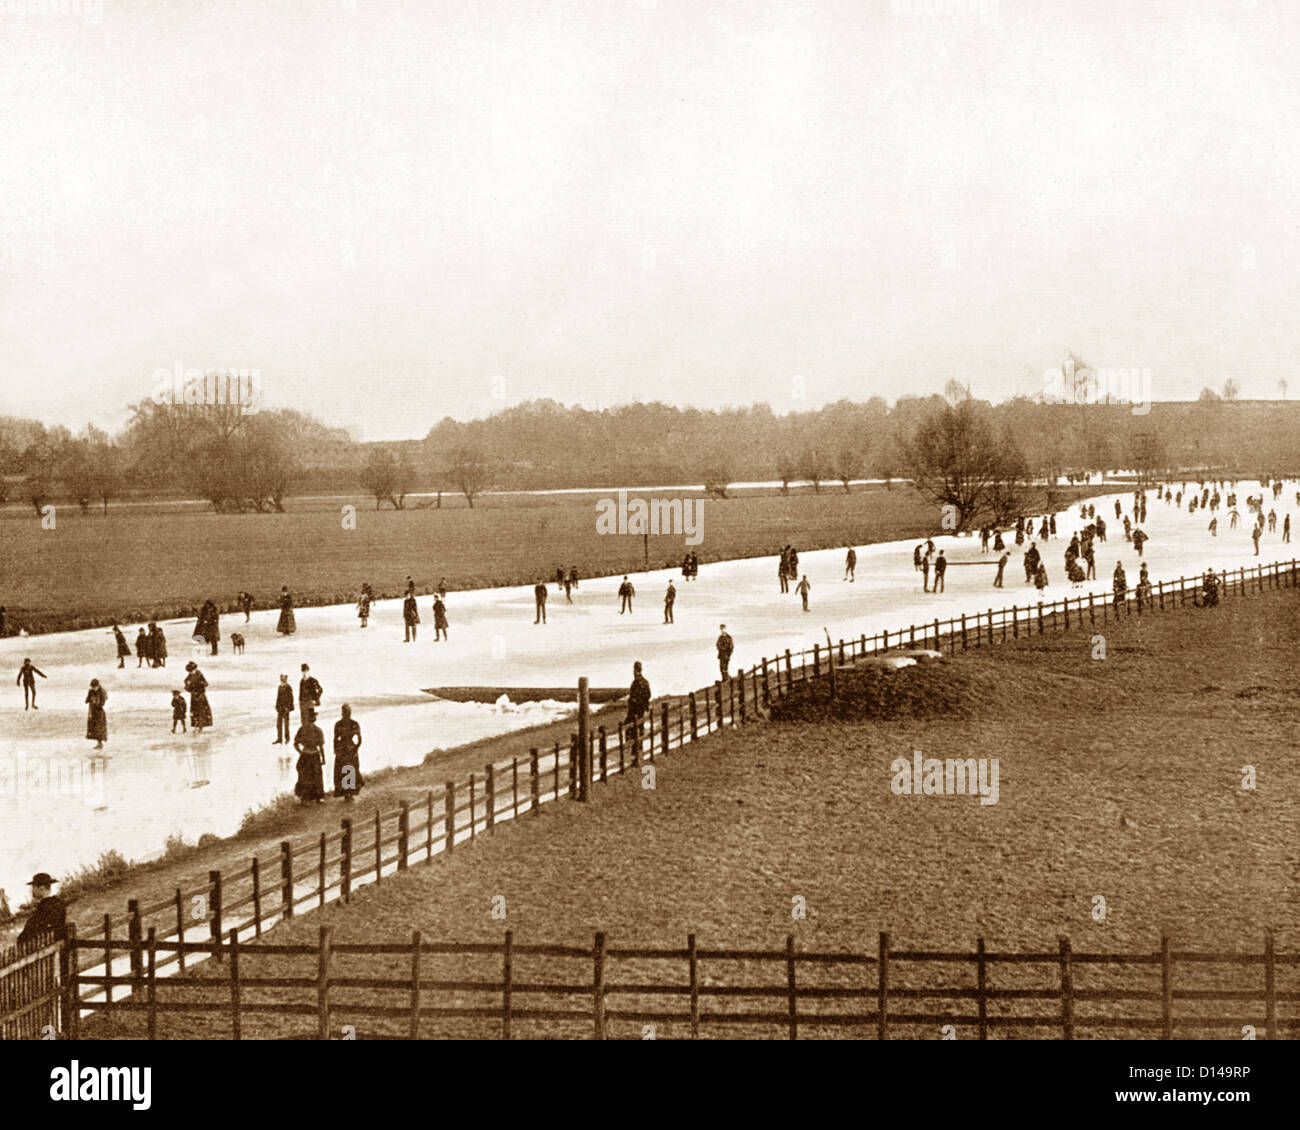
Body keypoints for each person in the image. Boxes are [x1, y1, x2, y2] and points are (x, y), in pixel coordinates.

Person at [17, 873, 66, 948]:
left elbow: (36, 930)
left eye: (33, 887)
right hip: (56, 944)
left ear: (41, 888)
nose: (32, 891)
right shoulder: (58, 903)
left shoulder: (45, 907)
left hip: (46, 948)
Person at [293, 708, 326, 804]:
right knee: (316, 777)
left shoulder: (302, 729)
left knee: (305, 777)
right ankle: (318, 797)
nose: (313, 717)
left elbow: (295, 743)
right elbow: (321, 747)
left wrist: (301, 752)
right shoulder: (317, 730)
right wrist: (323, 758)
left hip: (306, 755)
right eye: (313, 716)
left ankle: (306, 799)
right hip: (314, 755)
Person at [332, 704, 363, 801]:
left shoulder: (341, 724)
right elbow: (335, 739)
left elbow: (359, 739)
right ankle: (347, 792)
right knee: (347, 769)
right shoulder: (351, 723)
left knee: (348, 769)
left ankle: (349, 792)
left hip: (347, 748)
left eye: (347, 712)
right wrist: (355, 748)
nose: (346, 714)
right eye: (345, 712)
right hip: (347, 748)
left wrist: (356, 748)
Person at [625, 660, 651, 740]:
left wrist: (634, 701)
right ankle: (639, 746)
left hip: (635, 709)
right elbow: (648, 695)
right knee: (639, 727)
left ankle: (634, 747)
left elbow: (635, 696)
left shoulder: (636, 682)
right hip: (642, 708)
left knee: (630, 727)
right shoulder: (645, 681)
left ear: (635, 670)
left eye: (634, 670)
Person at [184, 662, 212, 733]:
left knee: (201, 711)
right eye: (189, 671)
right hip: (194, 696)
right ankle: (196, 725)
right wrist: (188, 686)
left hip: (200, 696)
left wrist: (200, 685)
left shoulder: (199, 675)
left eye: (192, 671)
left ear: (195, 669)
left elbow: (206, 683)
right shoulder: (189, 676)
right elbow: (186, 684)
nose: (191, 672)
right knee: (194, 711)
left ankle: (200, 726)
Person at [85, 679, 108, 750]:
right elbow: (86, 701)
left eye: (95, 687)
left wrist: (95, 701)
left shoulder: (102, 691)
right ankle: (98, 743)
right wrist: (91, 700)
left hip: (99, 712)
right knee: (93, 729)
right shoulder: (91, 691)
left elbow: (102, 703)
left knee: (99, 728)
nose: (94, 689)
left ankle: (100, 743)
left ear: (98, 685)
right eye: (93, 687)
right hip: (92, 711)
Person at [274, 674, 294, 745]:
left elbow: (291, 698)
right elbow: (278, 697)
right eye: (281, 677)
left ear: (286, 678)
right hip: (280, 708)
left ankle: (287, 738)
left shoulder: (288, 687)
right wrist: (276, 706)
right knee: (278, 724)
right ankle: (279, 739)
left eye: (284, 677)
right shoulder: (280, 687)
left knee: (286, 724)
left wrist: (289, 708)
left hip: (286, 708)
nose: (282, 679)